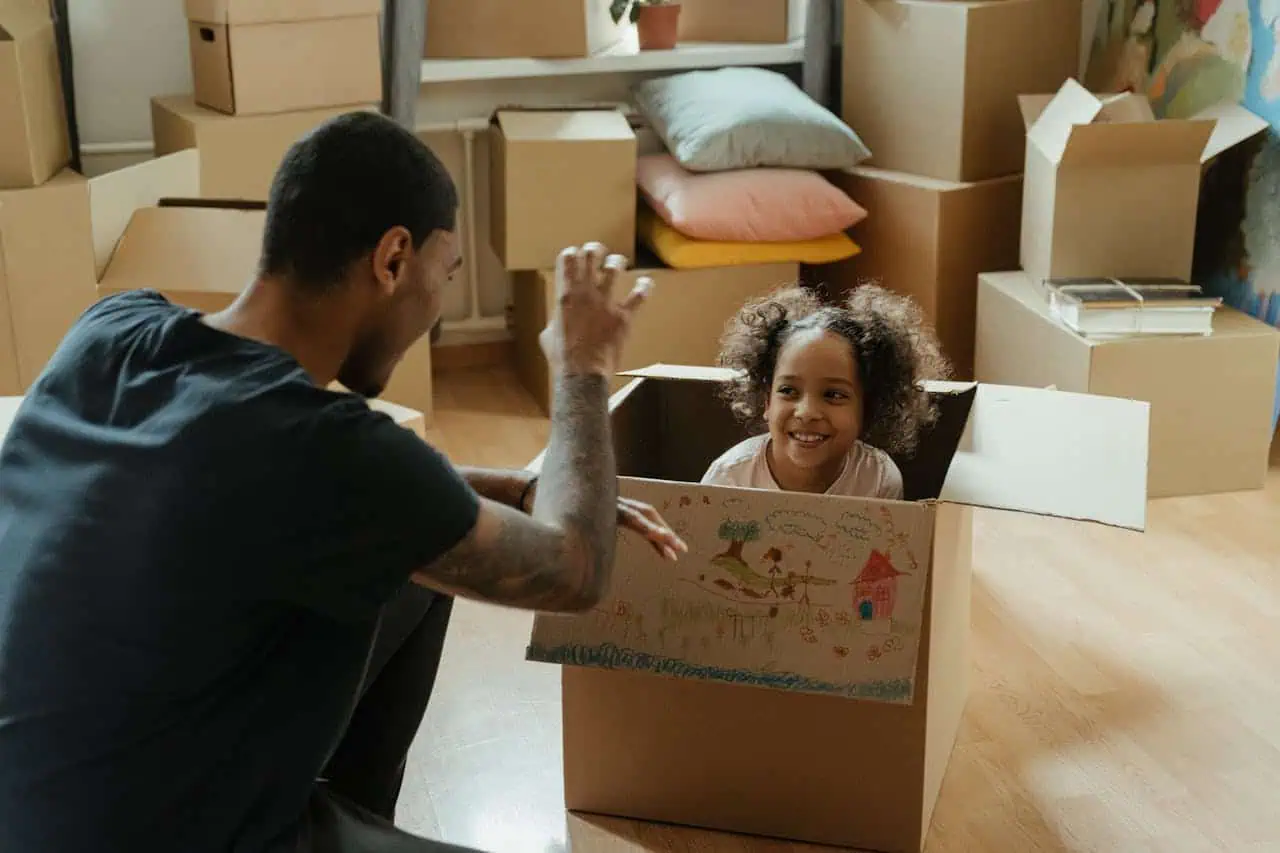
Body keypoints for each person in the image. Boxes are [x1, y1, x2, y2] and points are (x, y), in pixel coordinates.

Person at [0, 111, 685, 852]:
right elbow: (574, 570)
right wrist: (582, 367)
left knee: (416, 576)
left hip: (31, 807)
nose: (437, 308)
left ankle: (346, 814)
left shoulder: (110, 332)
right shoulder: (324, 447)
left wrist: (517, 490)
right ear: (393, 258)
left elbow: (311, 486)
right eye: (447, 274)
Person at [701, 284, 951, 498]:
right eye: (788, 390)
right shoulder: (728, 479)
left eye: (833, 394)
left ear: (868, 407)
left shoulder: (878, 480)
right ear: (767, 400)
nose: (807, 412)